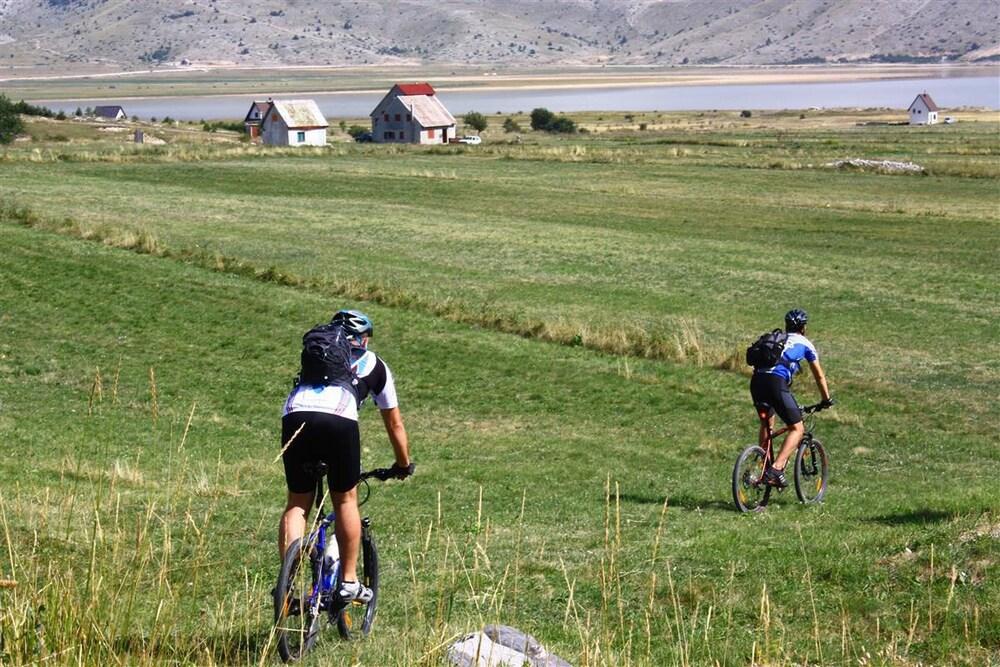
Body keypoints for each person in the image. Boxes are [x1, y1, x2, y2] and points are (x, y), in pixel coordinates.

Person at [279, 308, 413, 604]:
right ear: (363, 338)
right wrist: (403, 464)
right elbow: (395, 424)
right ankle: (349, 581)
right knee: (345, 500)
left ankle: (286, 583)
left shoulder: (318, 356)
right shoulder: (374, 364)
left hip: (295, 413)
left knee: (298, 502)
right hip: (338, 418)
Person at [749, 309, 833, 488]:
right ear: (803, 328)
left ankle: (763, 466)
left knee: (767, 423)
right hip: (776, 383)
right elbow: (819, 376)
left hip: (756, 382)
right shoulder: (805, 343)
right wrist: (826, 399)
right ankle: (775, 470)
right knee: (797, 428)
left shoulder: (776, 339)